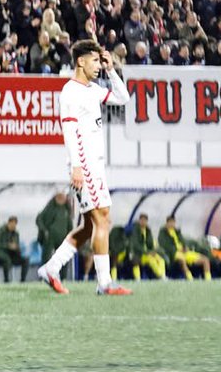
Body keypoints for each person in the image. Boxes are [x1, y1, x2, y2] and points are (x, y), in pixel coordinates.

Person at [37, 39, 133, 295]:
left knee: (91, 225)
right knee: (103, 218)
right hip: (86, 165)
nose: (98, 66)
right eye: (95, 61)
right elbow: (69, 130)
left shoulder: (93, 89)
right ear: (80, 61)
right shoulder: (70, 92)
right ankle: (105, 283)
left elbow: (123, 98)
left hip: (94, 165)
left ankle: (51, 268)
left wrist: (111, 69)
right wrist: (76, 167)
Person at [158, 214, 212, 281]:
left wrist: (185, 247)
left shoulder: (177, 232)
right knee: (182, 260)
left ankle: (208, 279)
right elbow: (165, 246)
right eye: (170, 222)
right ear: (167, 223)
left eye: (173, 222)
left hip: (184, 252)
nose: (172, 224)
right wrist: (177, 249)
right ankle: (190, 278)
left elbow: (183, 242)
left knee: (205, 260)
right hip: (174, 253)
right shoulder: (162, 233)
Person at [36, 191, 72, 278]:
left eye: (63, 197)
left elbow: (69, 224)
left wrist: (70, 235)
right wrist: (44, 231)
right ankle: (44, 277)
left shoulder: (67, 210)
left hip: (63, 238)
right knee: (46, 257)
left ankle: (63, 278)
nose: (61, 199)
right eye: (59, 197)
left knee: (63, 257)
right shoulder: (50, 208)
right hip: (50, 237)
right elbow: (39, 219)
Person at [127, 213, 166, 280]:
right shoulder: (135, 230)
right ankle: (159, 275)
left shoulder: (148, 230)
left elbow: (150, 244)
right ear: (139, 221)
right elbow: (136, 245)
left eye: (145, 220)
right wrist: (147, 252)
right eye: (142, 220)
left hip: (148, 252)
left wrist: (153, 251)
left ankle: (163, 275)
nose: (143, 222)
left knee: (161, 260)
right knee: (151, 260)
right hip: (138, 253)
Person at [0, 216, 30, 282]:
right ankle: (6, 281)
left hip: (12, 254)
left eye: (14, 225)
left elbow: (17, 245)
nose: (13, 226)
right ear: (8, 223)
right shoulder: (0, 232)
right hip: (1, 255)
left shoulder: (16, 233)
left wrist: (16, 247)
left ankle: (22, 281)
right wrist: (8, 246)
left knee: (26, 260)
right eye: (12, 224)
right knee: (6, 259)